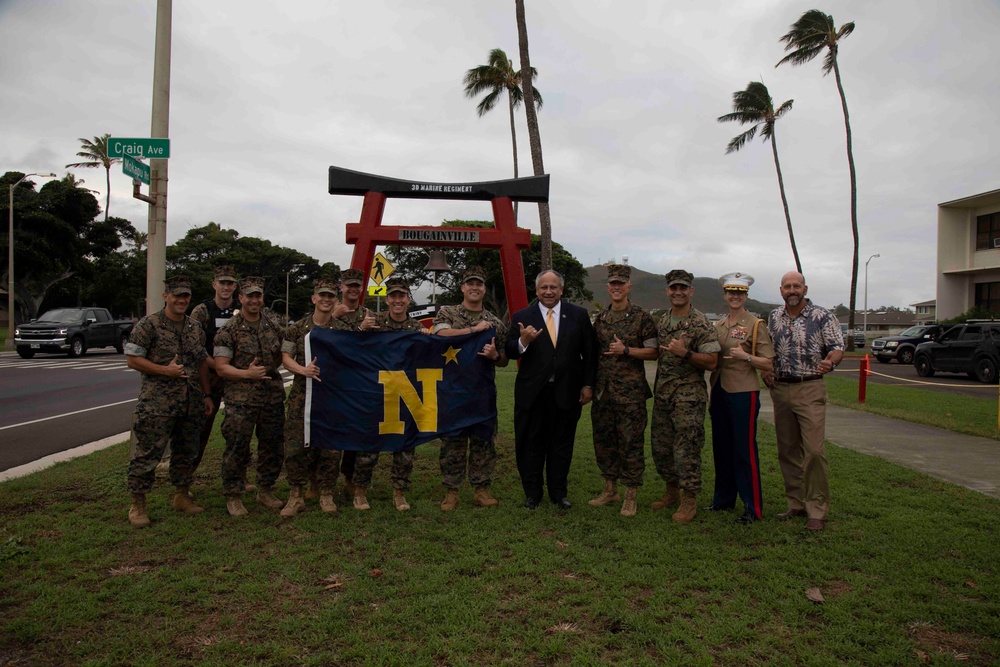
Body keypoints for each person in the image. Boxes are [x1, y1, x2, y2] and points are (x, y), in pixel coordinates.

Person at [124, 276, 213, 528]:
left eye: (186, 296)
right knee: (147, 453)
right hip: (158, 403)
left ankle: (182, 495)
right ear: (166, 296)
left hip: (191, 401)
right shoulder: (148, 325)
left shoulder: (195, 327)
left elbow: (202, 362)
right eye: (177, 295)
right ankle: (138, 503)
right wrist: (165, 371)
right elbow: (132, 359)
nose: (182, 300)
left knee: (186, 451)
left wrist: (206, 394)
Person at [506, 270, 598, 510]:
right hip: (532, 394)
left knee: (561, 445)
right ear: (536, 290)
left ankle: (559, 493)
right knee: (530, 444)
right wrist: (523, 341)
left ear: (561, 290)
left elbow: (590, 353)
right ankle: (532, 494)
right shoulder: (522, 316)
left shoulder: (578, 315)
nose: (548, 291)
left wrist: (588, 384)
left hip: (567, 392)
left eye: (553, 287)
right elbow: (509, 351)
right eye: (544, 287)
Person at [763, 270, 844, 531]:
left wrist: (830, 361)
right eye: (787, 286)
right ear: (781, 290)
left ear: (805, 289)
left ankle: (816, 509)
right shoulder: (773, 317)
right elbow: (767, 350)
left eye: (796, 286)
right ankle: (796, 503)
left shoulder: (822, 316)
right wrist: (765, 368)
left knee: (814, 452)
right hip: (781, 389)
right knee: (787, 450)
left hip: (809, 387)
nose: (792, 290)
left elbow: (837, 347)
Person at [351, 277, 431, 512]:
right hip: (376, 394)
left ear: (408, 300)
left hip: (405, 396)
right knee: (368, 447)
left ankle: (399, 492)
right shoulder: (374, 324)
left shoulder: (416, 328)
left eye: (402, 296)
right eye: (393, 296)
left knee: (405, 448)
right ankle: (360, 491)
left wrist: (429, 340)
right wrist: (359, 330)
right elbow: (350, 347)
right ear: (387, 300)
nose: (398, 300)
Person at [433, 266, 509, 511]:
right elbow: (441, 334)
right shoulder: (448, 312)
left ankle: (481, 489)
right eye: (470, 283)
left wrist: (496, 355)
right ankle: (451, 491)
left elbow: (505, 359)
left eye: (479, 284)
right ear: (463, 287)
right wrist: (473, 331)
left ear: (484, 289)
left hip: (482, 393)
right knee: (452, 443)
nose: (474, 287)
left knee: (483, 443)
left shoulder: (495, 322)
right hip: (452, 392)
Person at [650, 269, 720, 524]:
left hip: (688, 397)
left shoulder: (700, 322)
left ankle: (689, 500)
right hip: (664, 394)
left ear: (691, 291)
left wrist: (686, 353)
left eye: (683, 288)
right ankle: (671, 491)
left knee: (686, 448)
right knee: (661, 447)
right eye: (673, 288)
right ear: (667, 291)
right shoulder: (663, 320)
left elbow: (712, 361)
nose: (678, 292)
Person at [589, 264, 659, 517]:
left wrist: (627, 350)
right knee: (604, 441)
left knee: (631, 443)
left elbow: (654, 352)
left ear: (629, 287)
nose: (616, 287)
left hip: (630, 395)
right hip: (603, 393)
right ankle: (610, 489)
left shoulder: (642, 317)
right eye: (612, 284)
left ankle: (631, 495)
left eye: (621, 283)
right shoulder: (601, 320)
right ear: (608, 287)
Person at [213, 276, 286, 517]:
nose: (255, 300)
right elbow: (221, 367)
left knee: (272, 446)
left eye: (258, 295)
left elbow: (279, 357)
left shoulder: (273, 325)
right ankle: (233, 495)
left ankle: (265, 489)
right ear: (241, 298)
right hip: (241, 400)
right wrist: (248, 374)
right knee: (237, 447)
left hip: (271, 398)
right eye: (250, 296)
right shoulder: (228, 331)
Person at [279, 278, 349, 518]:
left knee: (330, 447)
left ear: (335, 301)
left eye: (331, 296)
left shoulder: (341, 331)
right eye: (322, 295)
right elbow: (285, 356)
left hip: (332, 398)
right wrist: (302, 370)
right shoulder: (297, 328)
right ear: (314, 298)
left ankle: (326, 492)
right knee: (295, 447)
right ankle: (296, 494)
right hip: (302, 397)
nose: (326, 300)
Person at [707, 272, 774, 524]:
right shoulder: (720, 324)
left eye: (740, 292)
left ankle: (752, 507)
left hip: (743, 392)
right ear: (725, 295)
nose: (735, 296)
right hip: (720, 391)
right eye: (730, 292)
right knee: (722, 448)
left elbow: (768, 362)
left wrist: (746, 357)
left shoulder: (756, 325)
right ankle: (723, 500)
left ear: (746, 295)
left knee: (744, 450)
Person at [331, 268, 380, 499]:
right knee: (328, 432)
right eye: (348, 285)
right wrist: (335, 318)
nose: (352, 289)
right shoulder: (327, 311)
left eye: (356, 285)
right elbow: (323, 338)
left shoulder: (368, 314)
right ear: (340, 287)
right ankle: (320, 482)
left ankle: (351, 479)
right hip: (332, 383)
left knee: (356, 433)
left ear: (361, 289)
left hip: (359, 383)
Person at [189, 264, 239, 474]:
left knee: (238, 431)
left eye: (230, 283)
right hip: (208, 376)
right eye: (222, 283)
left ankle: (239, 476)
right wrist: (218, 365)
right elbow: (195, 346)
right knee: (199, 431)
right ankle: (185, 482)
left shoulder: (241, 308)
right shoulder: (202, 311)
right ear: (214, 284)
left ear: (235, 286)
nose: (226, 287)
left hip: (235, 377)